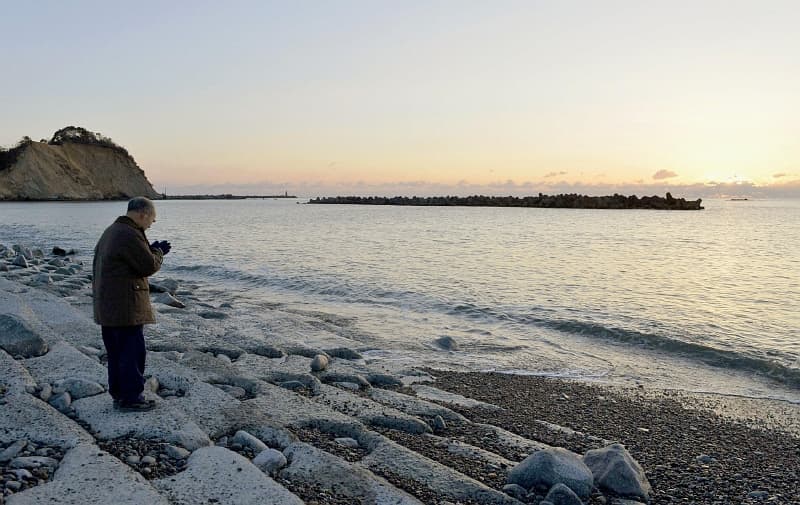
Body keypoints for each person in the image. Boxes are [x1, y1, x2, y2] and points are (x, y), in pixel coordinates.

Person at [93, 197, 171, 412]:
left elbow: (129, 260)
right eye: (152, 220)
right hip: (125, 307)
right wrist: (158, 252)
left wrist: (149, 248)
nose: (151, 224)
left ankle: (120, 395)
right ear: (142, 214)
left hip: (110, 306)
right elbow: (147, 266)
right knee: (131, 352)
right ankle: (132, 398)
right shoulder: (128, 233)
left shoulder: (113, 230)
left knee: (117, 353)